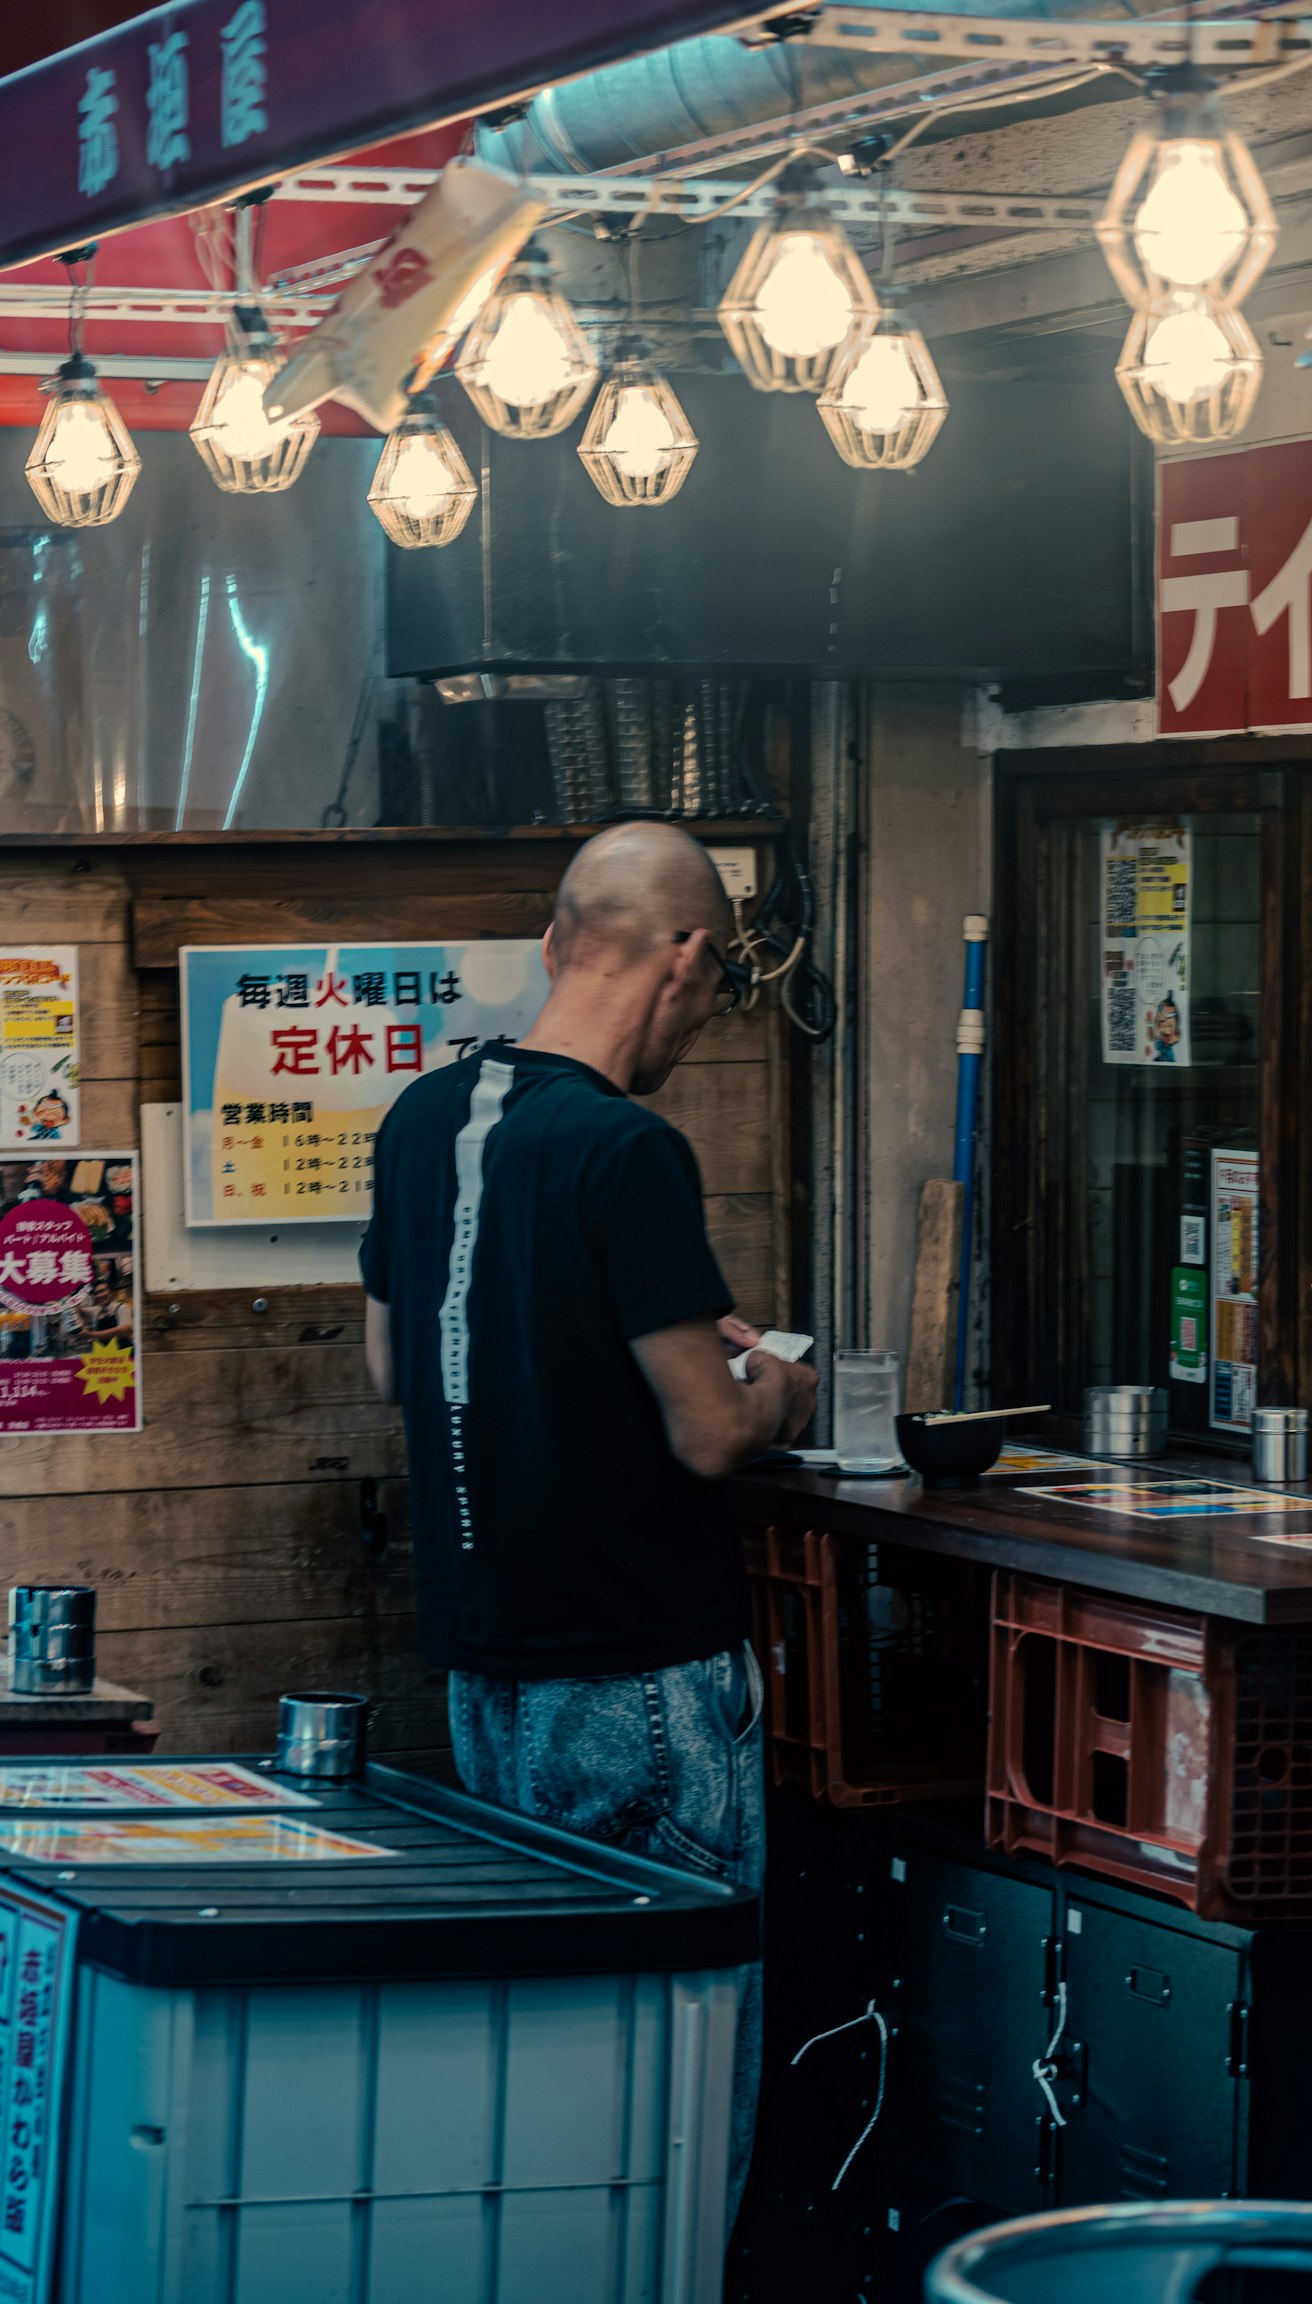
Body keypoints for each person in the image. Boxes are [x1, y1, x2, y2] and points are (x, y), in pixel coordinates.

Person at [359, 821, 817, 2225]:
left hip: (486, 1670)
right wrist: (780, 1382)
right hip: (641, 1675)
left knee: (544, 2066)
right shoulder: (627, 1150)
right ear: (689, 956)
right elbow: (711, 1429)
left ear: (559, 943)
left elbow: (394, 1366)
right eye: (725, 982)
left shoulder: (426, 1119)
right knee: (673, 2074)